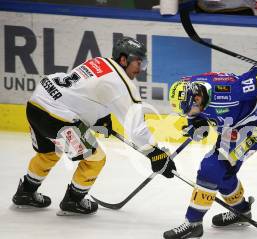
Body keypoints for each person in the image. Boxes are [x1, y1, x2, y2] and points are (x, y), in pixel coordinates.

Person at [12, 37, 176, 216]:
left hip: (37, 104)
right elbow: (136, 129)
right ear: (123, 60)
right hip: (58, 119)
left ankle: (25, 192)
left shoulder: (99, 62)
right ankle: (73, 201)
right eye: (139, 62)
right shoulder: (123, 85)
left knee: (48, 153)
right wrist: (155, 154)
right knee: (95, 158)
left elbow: (83, 90)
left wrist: (100, 117)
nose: (141, 69)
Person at [163, 57, 257, 239]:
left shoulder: (230, 90)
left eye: (191, 110)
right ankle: (242, 212)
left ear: (197, 97)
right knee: (223, 175)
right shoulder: (189, 87)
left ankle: (193, 225)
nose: (189, 114)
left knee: (211, 168)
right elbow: (199, 113)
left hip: (252, 129)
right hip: (231, 131)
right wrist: (197, 122)